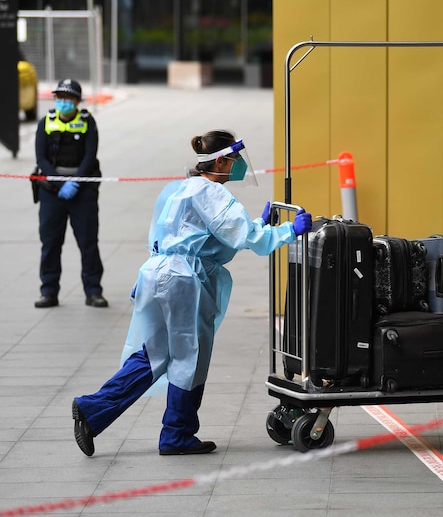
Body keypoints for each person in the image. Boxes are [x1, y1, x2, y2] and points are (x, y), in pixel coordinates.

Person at [71, 129, 313, 456]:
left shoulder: (184, 189)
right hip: (181, 282)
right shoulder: (212, 193)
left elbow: (211, 242)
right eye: (236, 159)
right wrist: (287, 231)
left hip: (159, 275)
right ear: (223, 159)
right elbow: (244, 238)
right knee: (189, 355)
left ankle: (93, 409)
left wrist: (259, 224)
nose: (239, 165)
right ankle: (176, 434)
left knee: (157, 353)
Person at [34, 78, 108, 308]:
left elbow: (89, 156)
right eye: (59, 98)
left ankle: (93, 291)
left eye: (68, 98)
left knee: (88, 243)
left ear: (77, 101)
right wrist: (58, 185)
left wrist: (75, 182)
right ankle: (49, 291)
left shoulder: (87, 122)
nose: (63, 102)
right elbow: (41, 159)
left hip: (82, 190)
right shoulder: (46, 122)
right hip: (52, 192)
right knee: (50, 243)